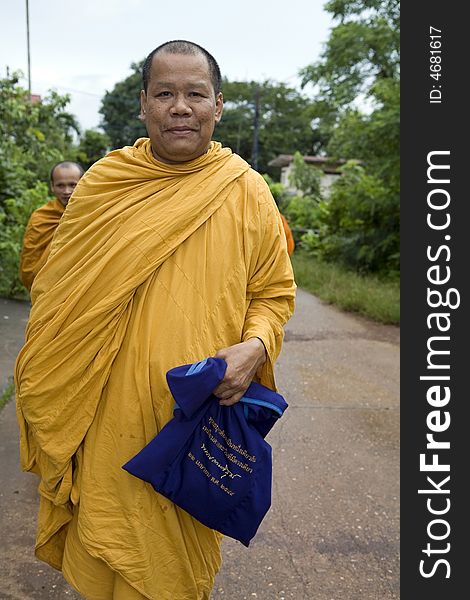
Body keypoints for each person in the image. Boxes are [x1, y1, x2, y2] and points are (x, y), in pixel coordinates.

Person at [15, 40, 296, 600]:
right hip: (108, 422)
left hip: (190, 426)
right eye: (164, 93)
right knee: (105, 562)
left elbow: (273, 292)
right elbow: (56, 301)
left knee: (171, 574)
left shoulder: (246, 191)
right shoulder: (103, 186)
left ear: (218, 105)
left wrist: (257, 345)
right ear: (143, 104)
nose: (180, 106)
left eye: (195, 94)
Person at [19, 161, 84, 291]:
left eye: (72, 185)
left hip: (80, 287)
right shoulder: (41, 217)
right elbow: (30, 261)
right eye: (60, 186)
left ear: (83, 183)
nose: (67, 191)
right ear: (52, 186)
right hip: (46, 289)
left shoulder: (92, 214)